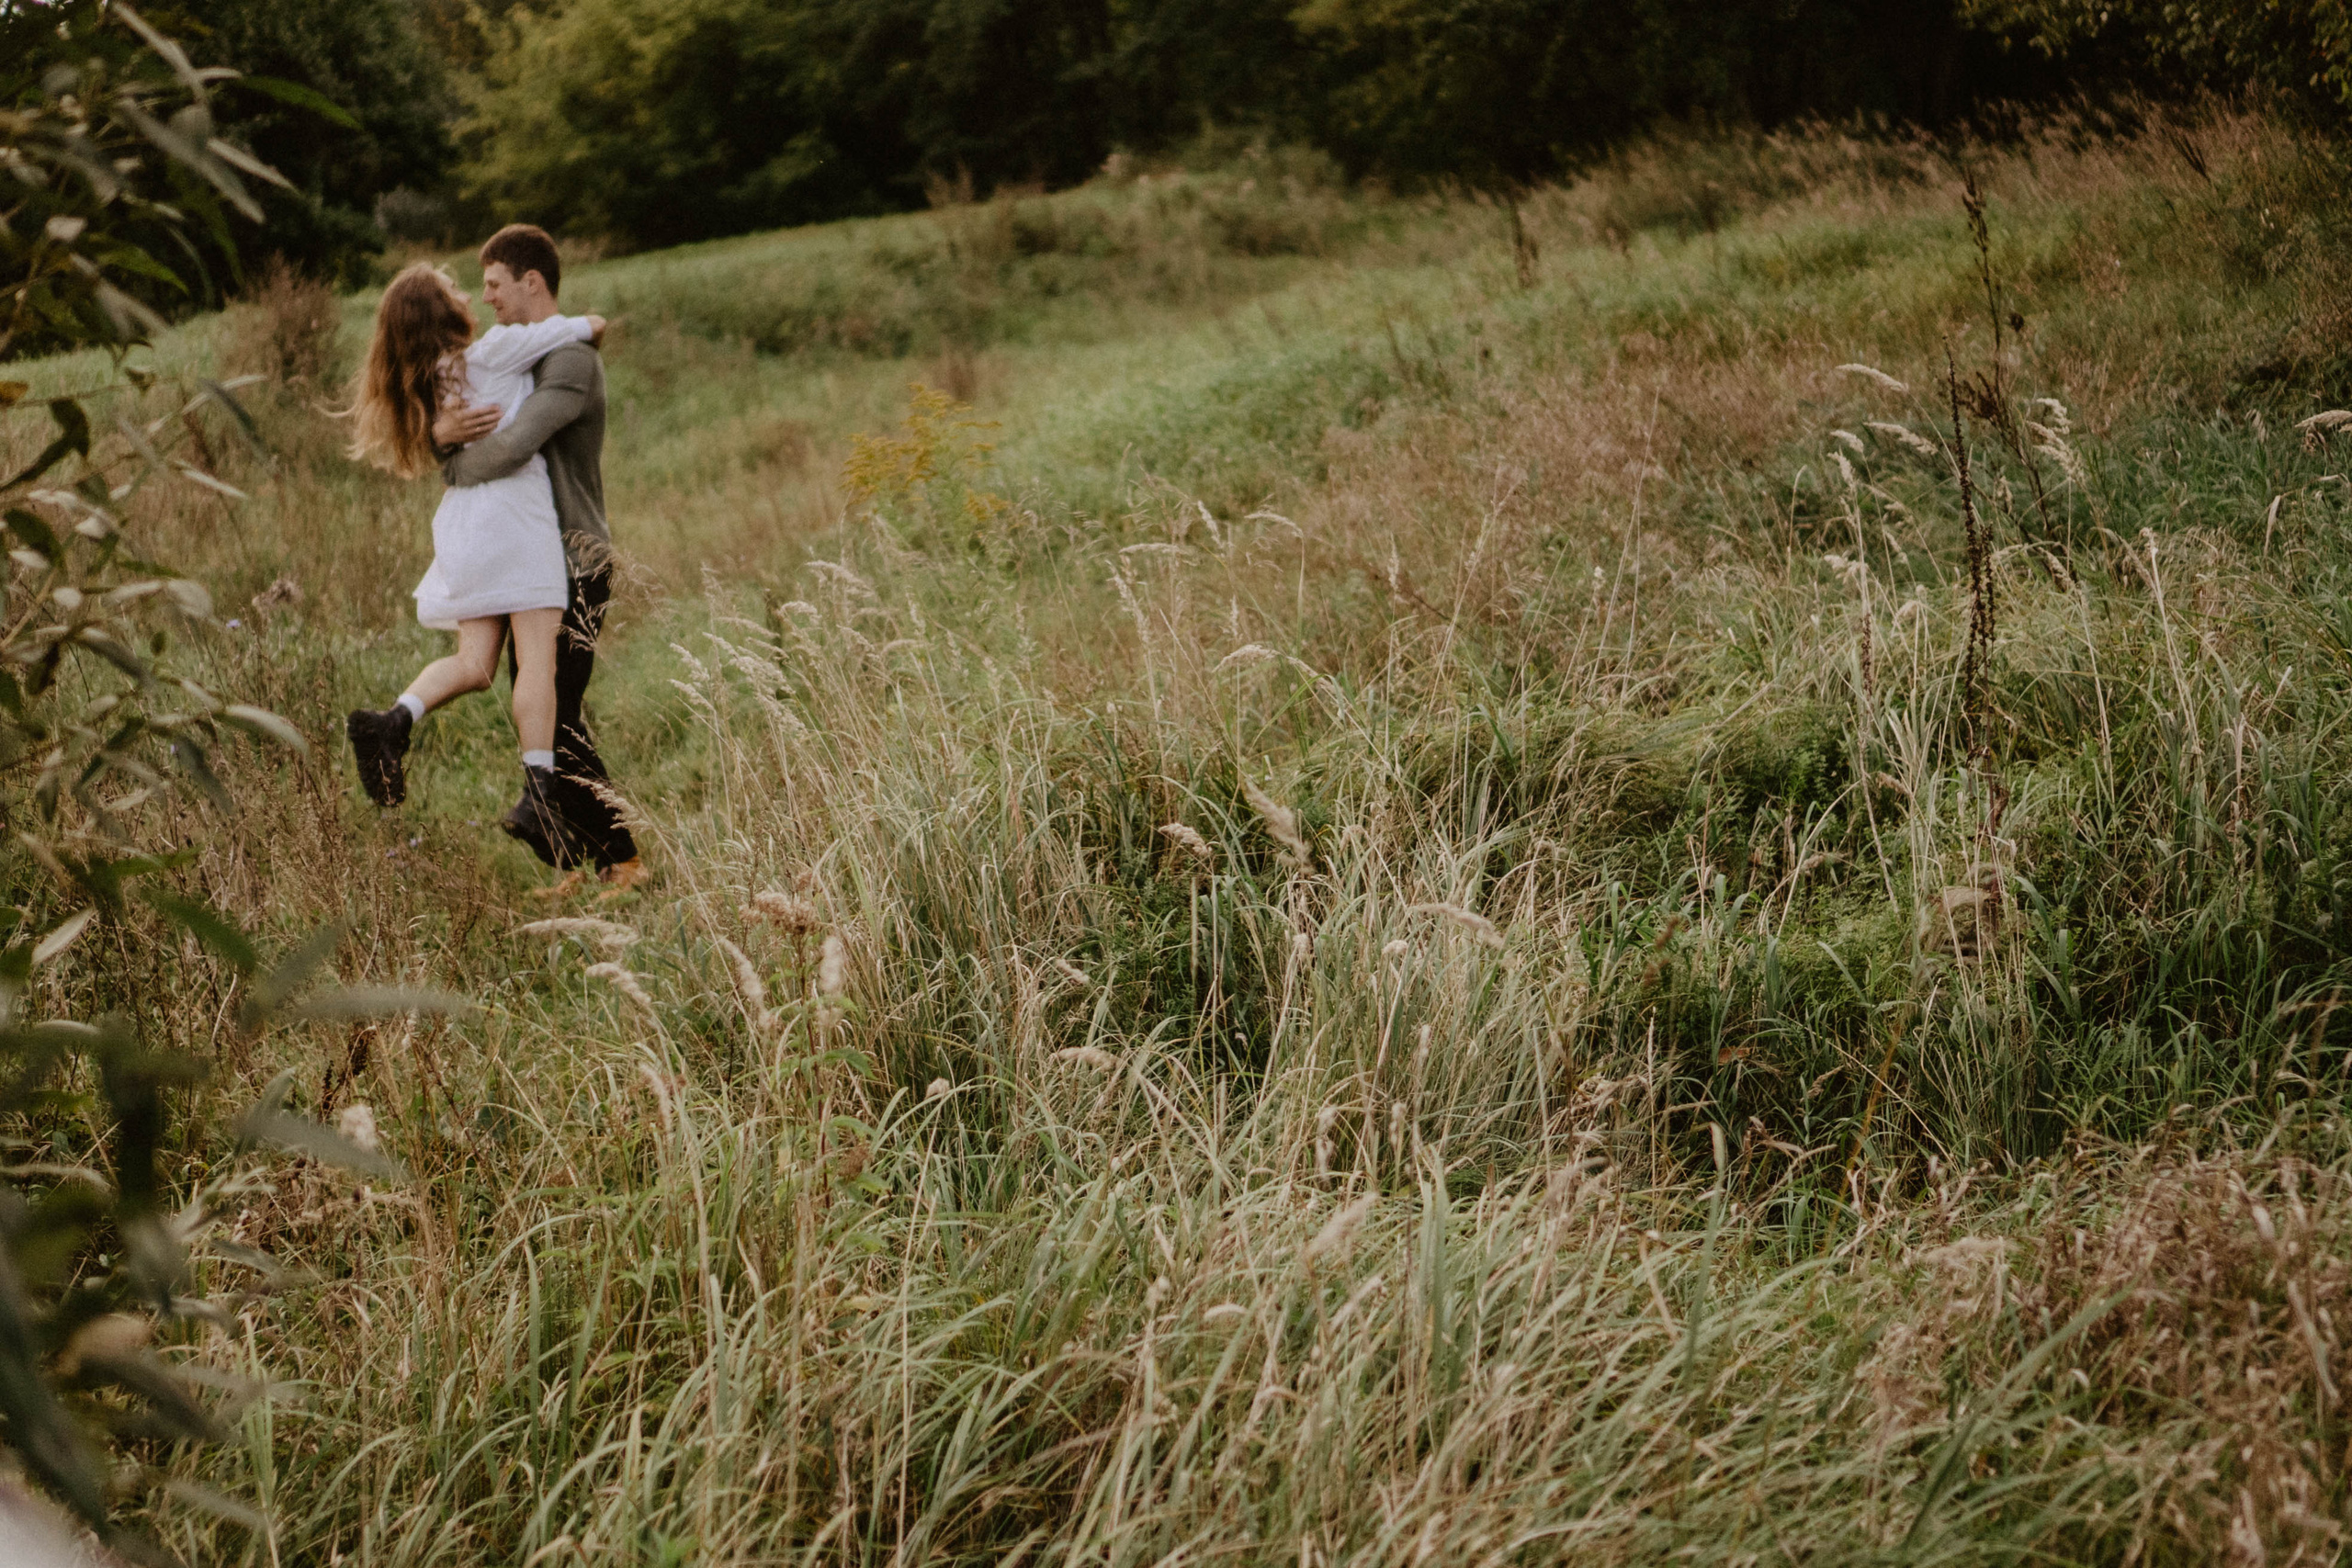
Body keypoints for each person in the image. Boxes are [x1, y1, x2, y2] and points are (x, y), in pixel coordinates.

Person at [342, 262, 603, 864]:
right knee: (536, 658)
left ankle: (394, 720)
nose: (470, 296)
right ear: (446, 312)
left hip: (463, 526)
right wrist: (593, 323)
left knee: (475, 662)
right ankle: (538, 794)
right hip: (517, 522)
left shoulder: (425, 385)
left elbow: (432, 442)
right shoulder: (497, 352)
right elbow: (586, 325)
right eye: (458, 290)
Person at [428, 225, 647, 897]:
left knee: (557, 717)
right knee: (542, 713)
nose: (487, 297)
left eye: (495, 283)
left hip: (575, 561)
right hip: (533, 566)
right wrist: (438, 433)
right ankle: (589, 861)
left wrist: (449, 459)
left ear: (533, 281)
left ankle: (626, 858)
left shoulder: (571, 361)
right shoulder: (528, 356)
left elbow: (512, 445)